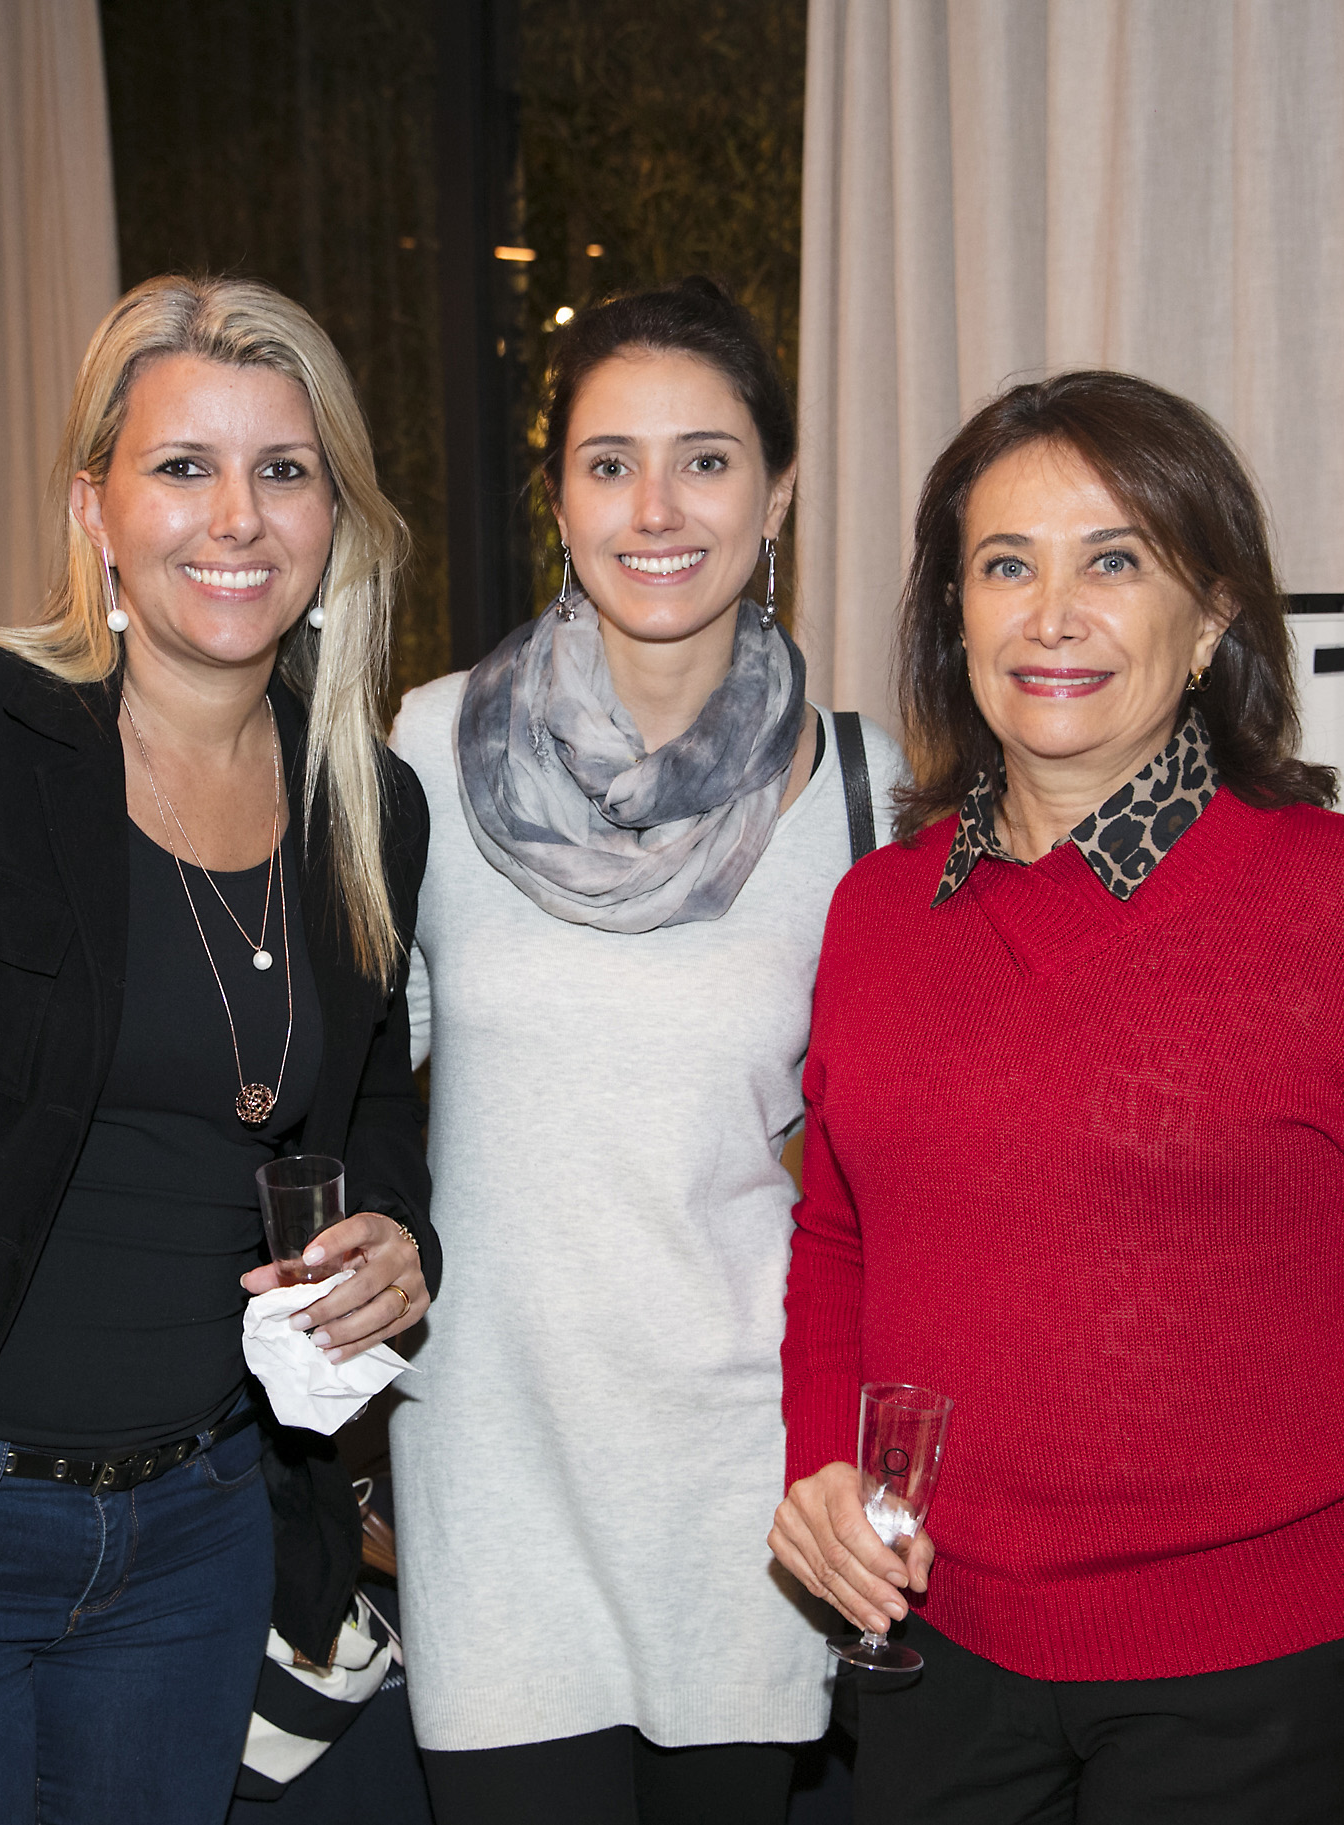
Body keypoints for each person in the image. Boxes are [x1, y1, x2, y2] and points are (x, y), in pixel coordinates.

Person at [769, 371, 1344, 1825]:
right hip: (937, 1669)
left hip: (1271, 1691)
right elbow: (838, 1243)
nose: (1049, 613)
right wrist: (824, 1471)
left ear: (1210, 621)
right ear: (955, 616)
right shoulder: (875, 914)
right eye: (1004, 564)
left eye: (1113, 560)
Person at [0, 274, 438, 1825]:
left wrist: (402, 1232)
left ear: (334, 514)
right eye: (181, 466)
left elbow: (369, 1096)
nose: (237, 517)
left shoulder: (372, 806)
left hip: (200, 1532)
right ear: (95, 505)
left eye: (283, 470)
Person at [383, 276, 902, 1824]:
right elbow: (348, 1096)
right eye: (608, 462)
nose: (656, 506)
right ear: (558, 500)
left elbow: (883, 1159)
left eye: (707, 457)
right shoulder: (422, 746)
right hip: (490, 1463)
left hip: (745, 1487)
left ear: (778, 492)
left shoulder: (865, 788)